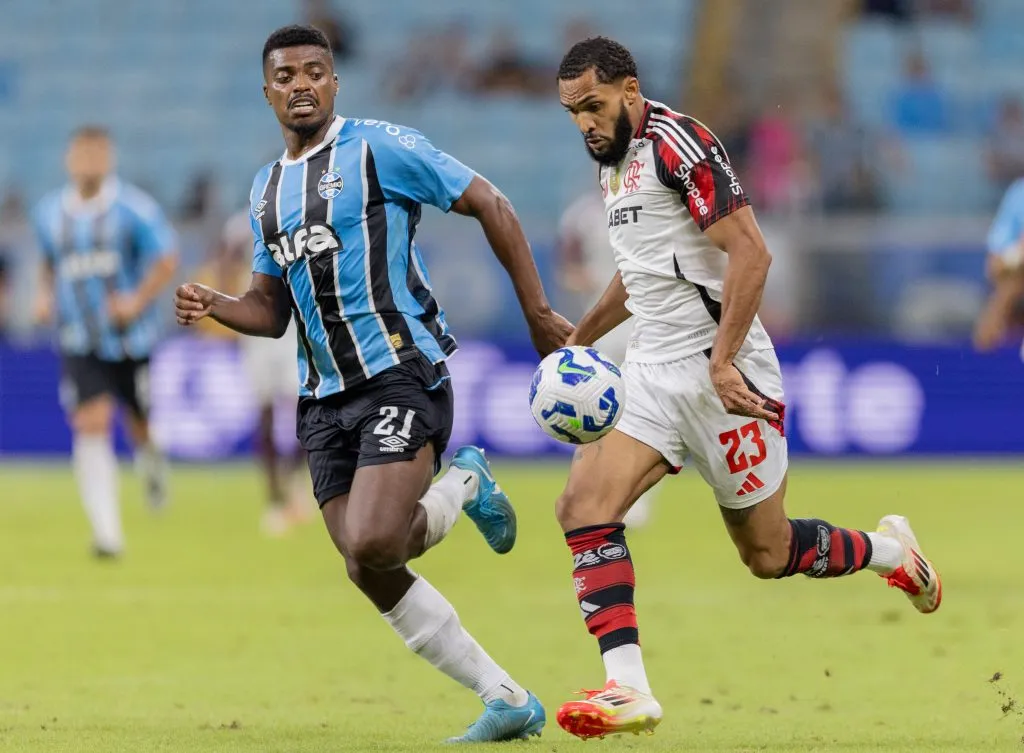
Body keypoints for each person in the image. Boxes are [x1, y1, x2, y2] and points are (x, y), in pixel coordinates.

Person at [174, 25, 571, 742]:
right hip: (323, 399)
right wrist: (216, 305)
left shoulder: (378, 147)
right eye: (287, 75)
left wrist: (538, 311)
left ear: (334, 83)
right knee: (367, 564)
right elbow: (270, 311)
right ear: (266, 92)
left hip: (399, 369)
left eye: (315, 72)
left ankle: (462, 484)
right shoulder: (265, 190)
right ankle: (505, 696)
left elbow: (492, 202)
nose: (301, 84)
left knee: (377, 537)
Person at [551, 37, 943, 740]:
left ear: (631, 91)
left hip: (723, 371)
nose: (584, 122)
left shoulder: (680, 145)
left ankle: (893, 552)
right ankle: (628, 686)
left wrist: (725, 361)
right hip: (649, 373)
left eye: (593, 105)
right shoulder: (613, 164)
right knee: (583, 506)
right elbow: (641, 271)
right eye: (573, 111)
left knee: (769, 554)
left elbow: (752, 251)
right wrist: (582, 336)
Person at [31, 126, 178, 558]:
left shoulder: (133, 209)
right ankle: (107, 532)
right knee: (90, 422)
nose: (89, 162)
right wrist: (43, 294)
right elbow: (47, 261)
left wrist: (136, 300)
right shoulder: (49, 213)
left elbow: (166, 257)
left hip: (130, 339)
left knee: (139, 424)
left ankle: (152, 463)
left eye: (97, 154)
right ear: (68, 160)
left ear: (109, 159)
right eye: (82, 154)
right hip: (79, 337)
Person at [557, 191, 658, 528]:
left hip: (645, 322)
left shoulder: (647, 202)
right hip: (599, 324)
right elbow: (567, 266)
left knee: (642, 411)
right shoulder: (580, 216)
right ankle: (590, 488)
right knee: (595, 409)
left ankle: (636, 498)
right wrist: (581, 278)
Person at [210, 208, 311, 536]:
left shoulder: (303, 217)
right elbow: (225, 260)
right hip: (257, 329)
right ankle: (274, 497)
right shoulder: (243, 223)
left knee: (305, 410)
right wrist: (230, 305)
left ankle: (294, 479)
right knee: (265, 412)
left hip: (294, 327)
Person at [973, 176, 1024, 356]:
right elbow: (995, 265)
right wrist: (1019, 254)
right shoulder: (1020, 193)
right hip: (1017, 282)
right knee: (1010, 284)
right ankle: (986, 357)